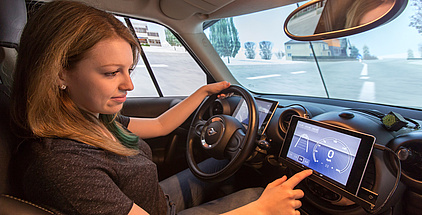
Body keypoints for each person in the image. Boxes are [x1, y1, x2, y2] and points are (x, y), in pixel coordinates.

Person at [11, 1, 312, 215]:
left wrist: (203, 92)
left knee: (223, 163)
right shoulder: (60, 165)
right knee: (259, 195)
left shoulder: (93, 117)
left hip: (157, 200)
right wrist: (261, 209)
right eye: (111, 72)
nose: (129, 85)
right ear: (60, 73)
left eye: (129, 70)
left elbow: (159, 126)